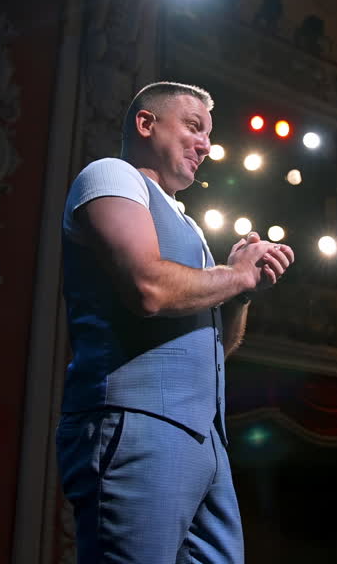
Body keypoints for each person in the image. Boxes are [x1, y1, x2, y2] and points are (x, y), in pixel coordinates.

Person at [57, 81, 294, 563]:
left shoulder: (189, 227)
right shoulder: (113, 176)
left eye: (208, 134)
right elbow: (149, 287)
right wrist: (233, 273)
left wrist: (241, 290)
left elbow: (214, 350)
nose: (206, 144)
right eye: (193, 126)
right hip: (138, 423)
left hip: (205, 441)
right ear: (146, 124)